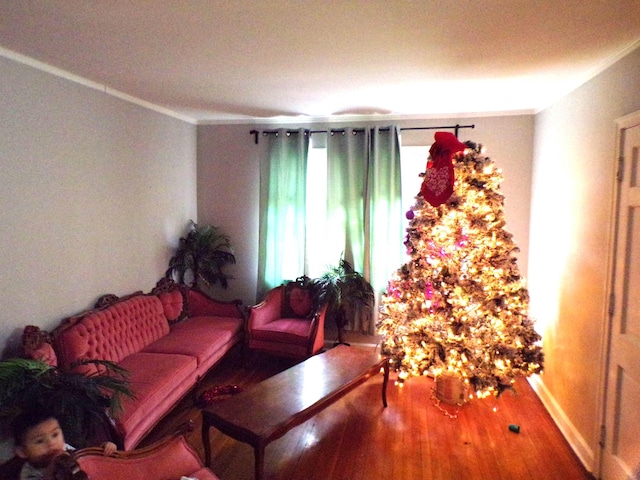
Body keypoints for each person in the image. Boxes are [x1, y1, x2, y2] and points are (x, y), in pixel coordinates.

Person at [12, 409, 116, 480]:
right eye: (40, 441)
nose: (51, 443)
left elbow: (87, 458)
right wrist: (52, 468)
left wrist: (103, 449)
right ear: (22, 452)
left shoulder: (66, 448)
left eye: (55, 435)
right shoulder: (29, 473)